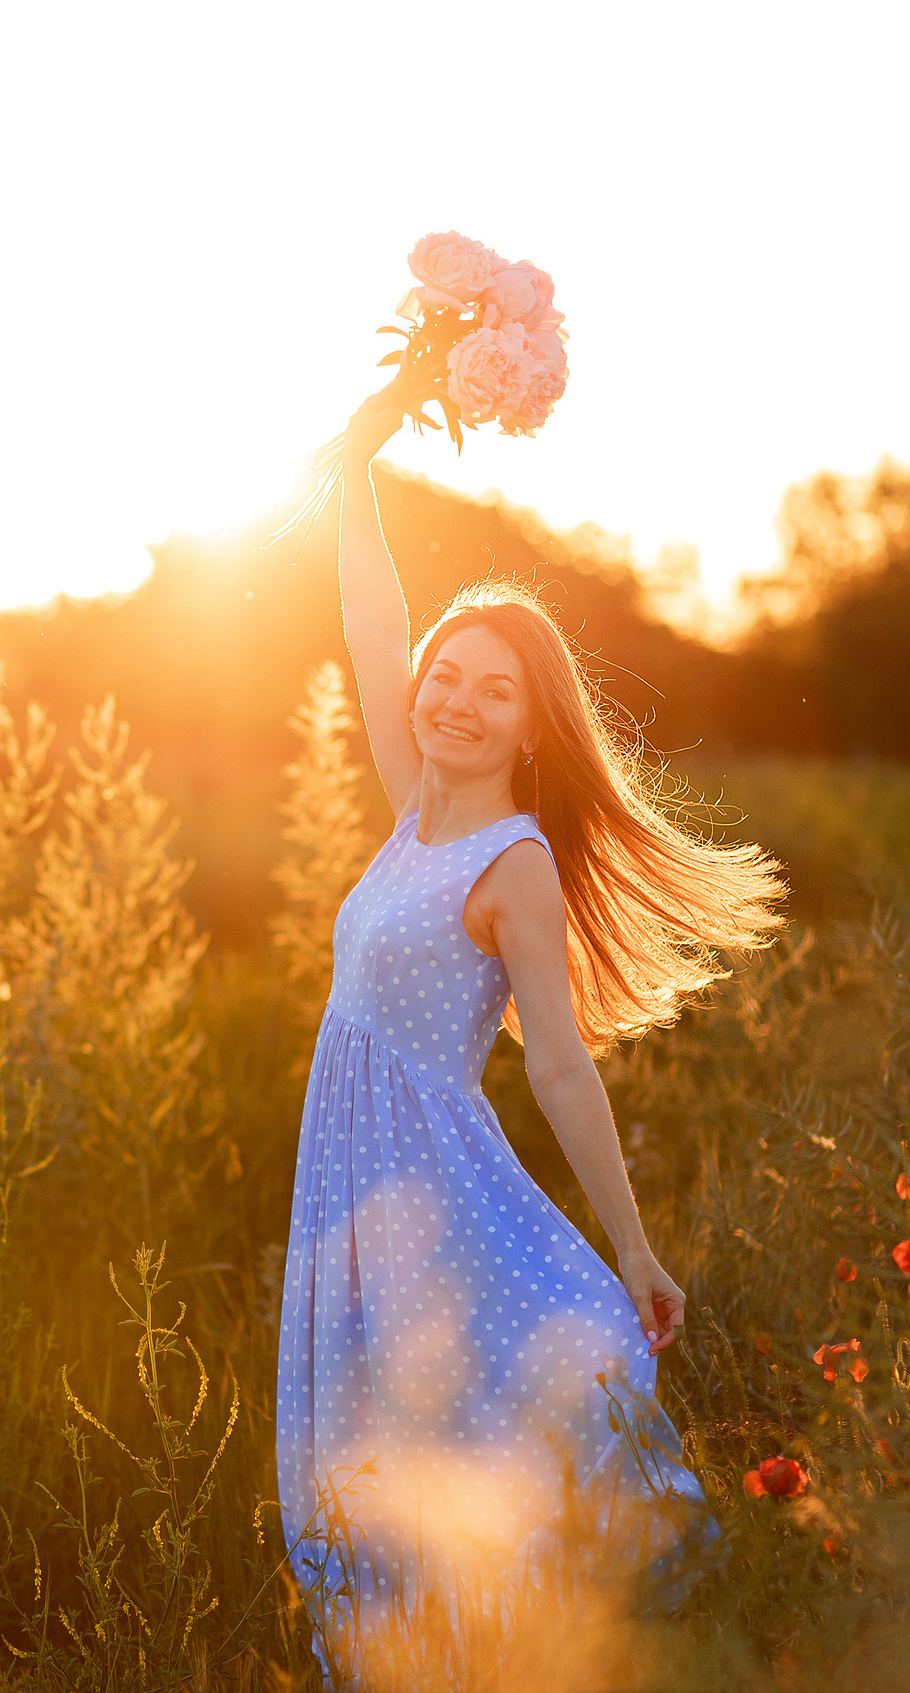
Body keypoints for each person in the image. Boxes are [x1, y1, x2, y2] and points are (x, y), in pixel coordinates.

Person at [276, 392, 786, 1672]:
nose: (454, 700)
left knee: (466, 1420)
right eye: (445, 678)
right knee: (384, 1437)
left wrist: (634, 1245)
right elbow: (371, 619)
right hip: (350, 1175)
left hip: (431, 1174)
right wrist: (359, 458)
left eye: (491, 692)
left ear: (527, 724)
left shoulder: (509, 862)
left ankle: (571, 1645)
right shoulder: (413, 814)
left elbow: (555, 1062)